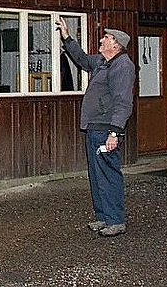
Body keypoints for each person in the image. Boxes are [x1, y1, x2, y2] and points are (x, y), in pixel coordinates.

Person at [55, 17, 135, 237]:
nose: (101, 40)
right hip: (93, 127)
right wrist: (67, 36)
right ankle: (103, 217)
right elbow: (80, 59)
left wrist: (115, 132)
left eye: (106, 38)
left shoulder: (122, 66)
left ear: (116, 45)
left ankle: (115, 220)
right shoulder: (102, 61)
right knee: (96, 174)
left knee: (108, 173)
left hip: (106, 129)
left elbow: (123, 102)